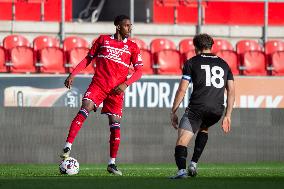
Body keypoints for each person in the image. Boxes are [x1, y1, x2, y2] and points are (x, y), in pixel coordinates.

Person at [60, 15, 143, 176]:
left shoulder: (132, 47)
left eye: (130, 25)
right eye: (127, 25)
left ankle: (112, 163)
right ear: (118, 26)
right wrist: (73, 74)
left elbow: (139, 71)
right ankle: (67, 146)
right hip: (99, 84)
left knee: (115, 124)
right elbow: (88, 59)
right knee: (85, 108)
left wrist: (126, 84)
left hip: (116, 91)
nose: (130, 28)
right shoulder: (103, 40)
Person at [170, 33, 235, 179]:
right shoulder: (224, 64)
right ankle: (193, 164)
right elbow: (231, 91)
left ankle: (181, 172)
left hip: (197, 108)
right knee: (204, 128)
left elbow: (182, 89)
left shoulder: (192, 62)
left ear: (196, 47)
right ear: (211, 46)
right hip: (217, 111)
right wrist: (228, 115)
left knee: (182, 141)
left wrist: (173, 111)